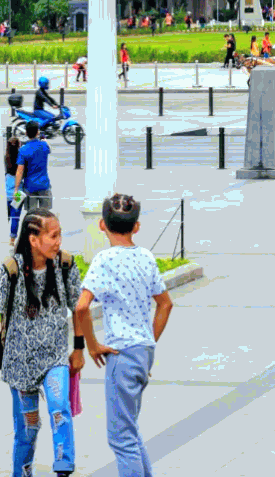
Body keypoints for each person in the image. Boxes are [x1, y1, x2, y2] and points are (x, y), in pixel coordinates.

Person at [0, 211, 86, 477]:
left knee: (59, 408)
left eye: (60, 234)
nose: (59, 241)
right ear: (33, 239)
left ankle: (64, 467)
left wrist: (78, 348)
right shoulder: (9, 271)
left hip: (55, 358)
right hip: (19, 365)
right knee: (27, 430)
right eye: (53, 236)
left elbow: (78, 307)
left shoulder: (65, 266)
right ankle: (22, 472)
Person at [78, 193, 172, 477]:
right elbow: (165, 303)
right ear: (137, 227)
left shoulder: (103, 260)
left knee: (120, 439)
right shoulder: (146, 257)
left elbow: (81, 307)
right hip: (143, 352)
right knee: (129, 431)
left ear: (101, 225)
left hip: (120, 353)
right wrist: (148, 343)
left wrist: (92, 346)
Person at [15, 130, 55, 220]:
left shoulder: (23, 149)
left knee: (31, 216)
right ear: (37, 133)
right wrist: (44, 140)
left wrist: (16, 189)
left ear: (26, 134)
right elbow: (49, 149)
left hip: (29, 187)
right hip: (44, 185)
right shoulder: (44, 145)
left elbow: (19, 171)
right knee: (46, 215)